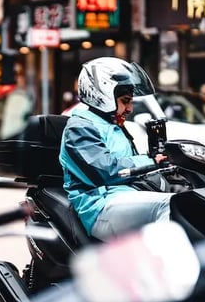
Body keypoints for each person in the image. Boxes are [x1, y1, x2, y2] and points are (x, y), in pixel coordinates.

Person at [59, 57, 173, 242]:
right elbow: (106, 170)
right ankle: (165, 269)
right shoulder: (79, 127)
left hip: (126, 197)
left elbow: (130, 165)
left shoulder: (113, 126)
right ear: (102, 94)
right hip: (100, 206)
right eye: (125, 101)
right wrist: (151, 161)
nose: (129, 108)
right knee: (169, 206)